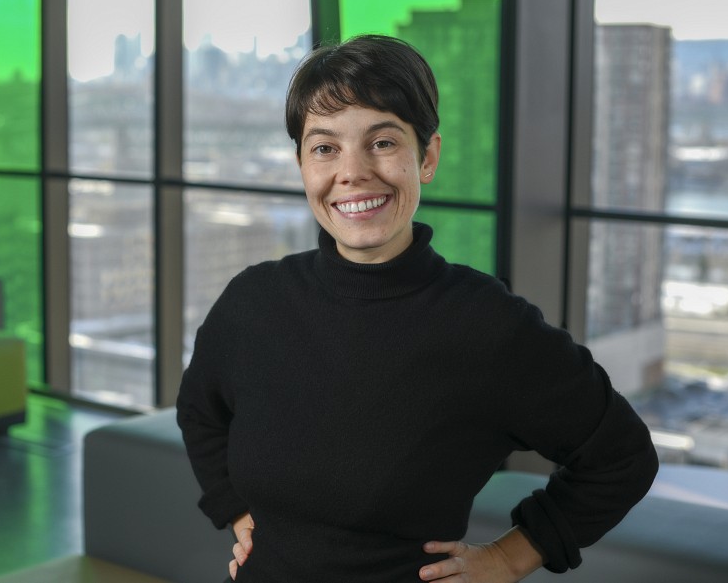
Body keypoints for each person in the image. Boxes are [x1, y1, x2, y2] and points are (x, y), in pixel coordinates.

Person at [176, 34, 658, 582]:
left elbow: (622, 458)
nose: (352, 172)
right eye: (325, 147)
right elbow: (199, 410)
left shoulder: (486, 325)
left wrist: (507, 559)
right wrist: (235, 510)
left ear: (426, 156)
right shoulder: (254, 301)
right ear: (302, 165)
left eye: (382, 142)